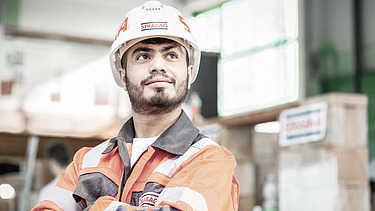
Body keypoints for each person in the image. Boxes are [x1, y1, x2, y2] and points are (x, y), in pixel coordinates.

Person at [33, 1, 239, 210]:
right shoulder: (86, 162)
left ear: (189, 72)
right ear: (123, 76)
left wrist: (98, 206)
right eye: (143, 56)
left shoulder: (208, 160)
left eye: (171, 55)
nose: (158, 65)